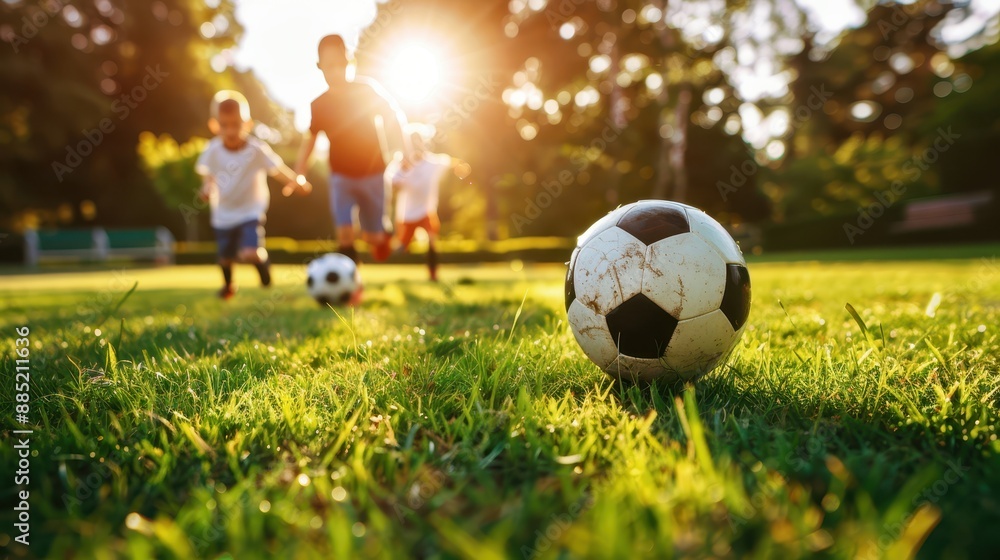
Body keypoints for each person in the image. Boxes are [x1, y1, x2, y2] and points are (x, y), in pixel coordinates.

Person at [287, 34, 410, 264]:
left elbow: (393, 116)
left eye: (339, 65)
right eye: (328, 66)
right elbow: (311, 140)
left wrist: (405, 150)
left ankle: (382, 235)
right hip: (341, 177)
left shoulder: (366, 91)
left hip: (373, 174)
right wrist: (300, 172)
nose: (334, 72)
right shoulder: (319, 104)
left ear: (349, 62)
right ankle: (351, 285)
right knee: (344, 233)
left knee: (372, 237)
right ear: (320, 67)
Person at [197, 90, 311, 299]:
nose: (230, 130)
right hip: (223, 213)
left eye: (236, 124)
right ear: (214, 125)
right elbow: (208, 175)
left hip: (250, 210)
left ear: (247, 124)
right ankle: (229, 286)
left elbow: (277, 169)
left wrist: (296, 182)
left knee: (249, 253)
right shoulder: (212, 150)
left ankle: (262, 267)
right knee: (225, 257)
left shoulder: (256, 149)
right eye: (224, 125)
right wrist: (206, 189)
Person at [389, 124, 471, 281]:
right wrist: (403, 171)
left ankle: (433, 276)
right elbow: (392, 183)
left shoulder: (434, 162)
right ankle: (385, 260)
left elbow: (454, 162)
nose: (416, 145)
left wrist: (462, 167)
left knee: (433, 240)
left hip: (427, 210)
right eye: (412, 142)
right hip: (407, 214)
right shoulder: (402, 163)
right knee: (401, 248)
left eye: (418, 141)